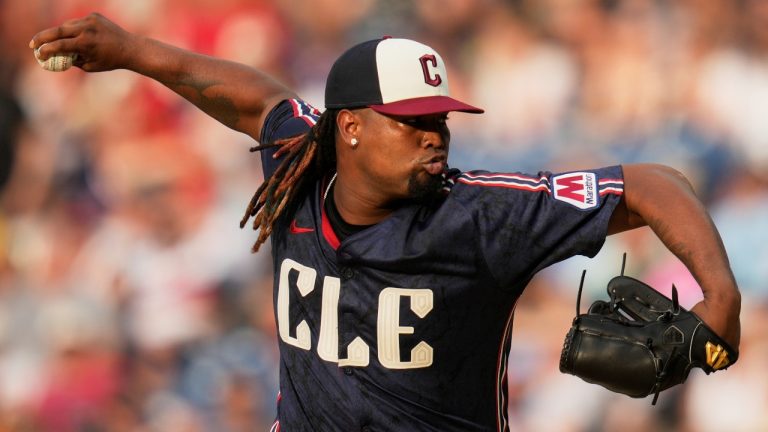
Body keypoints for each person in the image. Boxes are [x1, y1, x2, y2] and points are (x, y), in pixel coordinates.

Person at [30, 13, 741, 432]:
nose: (435, 135)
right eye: (411, 121)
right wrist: (133, 52)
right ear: (351, 129)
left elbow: (653, 183)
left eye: (440, 119)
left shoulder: (482, 214)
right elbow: (255, 98)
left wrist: (721, 298)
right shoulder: (298, 162)